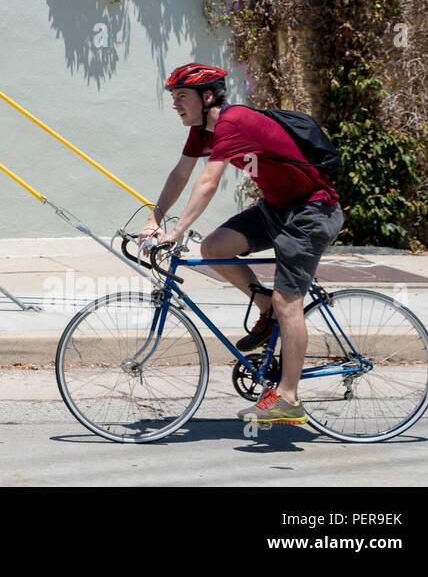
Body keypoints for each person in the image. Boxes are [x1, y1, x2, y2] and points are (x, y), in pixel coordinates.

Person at [140, 62, 344, 425]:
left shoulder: (233, 122)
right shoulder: (202, 130)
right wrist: (155, 218)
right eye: (172, 97)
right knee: (215, 248)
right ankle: (264, 306)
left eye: (181, 96)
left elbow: (207, 181)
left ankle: (288, 398)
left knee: (289, 303)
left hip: (312, 210)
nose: (175, 104)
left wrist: (177, 231)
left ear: (207, 97)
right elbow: (180, 173)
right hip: (276, 207)